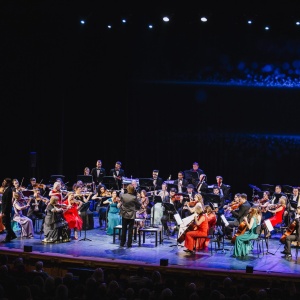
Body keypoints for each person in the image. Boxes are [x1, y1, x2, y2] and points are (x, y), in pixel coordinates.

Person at [117, 183, 141, 248]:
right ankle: (129, 244)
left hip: (124, 214)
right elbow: (139, 205)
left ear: (127, 189)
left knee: (124, 229)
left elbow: (121, 202)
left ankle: (122, 243)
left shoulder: (123, 196)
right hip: (131, 215)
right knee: (130, 230)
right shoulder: (134, 197)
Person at [1, 178, 17, 243]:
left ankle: (9, 237)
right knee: (6, 223)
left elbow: (7, 202)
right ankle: (12, 235)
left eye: (4, 182)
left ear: (8, 183)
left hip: (7, 210)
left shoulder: (9, 190)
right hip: (5, 209)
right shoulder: (6, 189)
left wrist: (4, 211)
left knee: (6, 223)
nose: (3, 183)